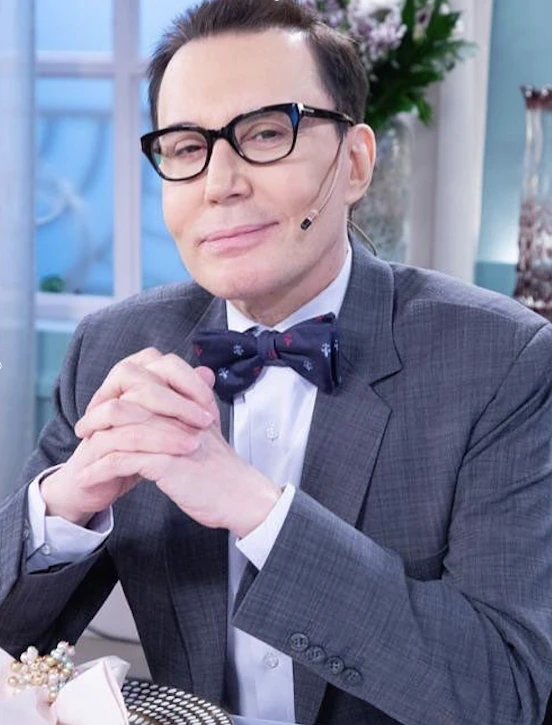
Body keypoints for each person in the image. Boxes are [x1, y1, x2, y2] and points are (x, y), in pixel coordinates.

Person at [1, 1, 551, 723]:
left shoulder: (502, 361)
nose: (220, 182)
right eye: (186, 147)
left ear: (355, 163)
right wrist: (68, 501)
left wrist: (258, 510)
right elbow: (16, 649)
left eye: (266, 133)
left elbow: (506, 695)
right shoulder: (112, 347)